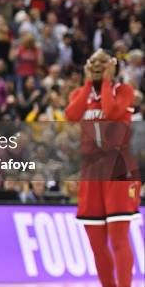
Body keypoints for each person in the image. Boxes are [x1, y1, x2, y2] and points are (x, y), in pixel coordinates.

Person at [65, 49, 141, 287]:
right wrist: (89, 83)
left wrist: (107, 81)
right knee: (96, 243)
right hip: (91, 172)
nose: (97, 65)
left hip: (118, 168)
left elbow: (112, 113)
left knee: (118, 239)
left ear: (113, 65)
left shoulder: (124, 91)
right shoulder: (81, 92)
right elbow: (70, 114)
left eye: (102, 62)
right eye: (93, 62)